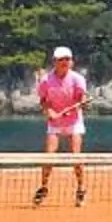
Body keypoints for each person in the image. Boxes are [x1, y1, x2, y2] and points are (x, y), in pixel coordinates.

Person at [33, 45, 89, 207]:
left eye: (67, 59)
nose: (64, 62)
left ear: (71, 62)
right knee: (49, 156)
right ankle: (43, 187)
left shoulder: (78, 79)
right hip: (55, 123)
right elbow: (43, 101)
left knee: (76, 157)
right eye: (61, 60)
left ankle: (80, 188)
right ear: (55, 62)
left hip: (74, 122)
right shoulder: (46, 80)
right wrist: (49, 112)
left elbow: (82, 99)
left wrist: (81, 104)